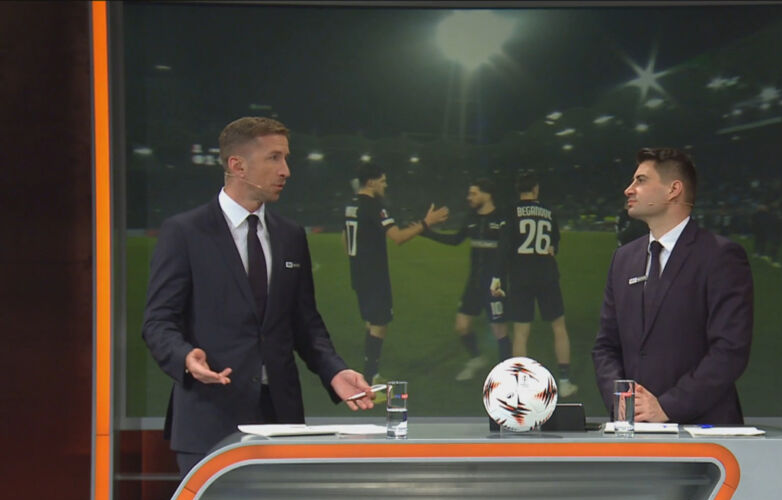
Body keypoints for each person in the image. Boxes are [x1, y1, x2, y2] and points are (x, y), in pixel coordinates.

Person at [142, 117, 376, 477]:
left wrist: (335, 371)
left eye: (286, 158)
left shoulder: (290, 235)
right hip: (209, 419)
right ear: (238, 165)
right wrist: (186, 357)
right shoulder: (185, 232)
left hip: (281, 419)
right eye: (274, 158)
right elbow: (158, 322)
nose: (286, 170)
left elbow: (305, 323)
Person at [592, 148, 753, 424]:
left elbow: (729, 349)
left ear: (673, 190)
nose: (629, 190)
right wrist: (621, 401)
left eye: (641, 180)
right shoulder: (623, 259)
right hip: (634, 428)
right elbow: (606, 346)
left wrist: (667, 407)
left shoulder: (720, 256)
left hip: (702, 430)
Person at [343, 162, 449, 385]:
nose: (385, 185)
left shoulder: (351, 204)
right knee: (380, 323)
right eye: (382, 181)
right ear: (371, 182)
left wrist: (356, 260)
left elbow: (345, 238)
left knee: (371, 321)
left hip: (358, 274)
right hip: (374, 275)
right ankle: (371, 376)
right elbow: (398, 237)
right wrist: (426, 223)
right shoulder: (374, 205)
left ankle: (370, 372)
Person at [491, 172, 576, 397]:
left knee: (521, 333)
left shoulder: (511, 211)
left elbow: (504, 246)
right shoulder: (548, 211)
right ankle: (564, 381)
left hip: (521, 277)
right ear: (535, 189)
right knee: (559, 327)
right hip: (547, 275)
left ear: (518, 189)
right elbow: (555, 243)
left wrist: (497, 277)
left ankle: (520, 386)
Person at [422, 178, 512, 381]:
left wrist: (500, 279)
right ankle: (476, 359)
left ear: (487, 194)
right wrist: (427, 233)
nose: (469, 197)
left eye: (473, 193)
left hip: (495, 285)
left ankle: (507, 375)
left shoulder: (501, 218)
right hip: (474, 283)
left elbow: (507, 251)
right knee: (462, 326)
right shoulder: (471, 217)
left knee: (499, 331)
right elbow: (455, 240)